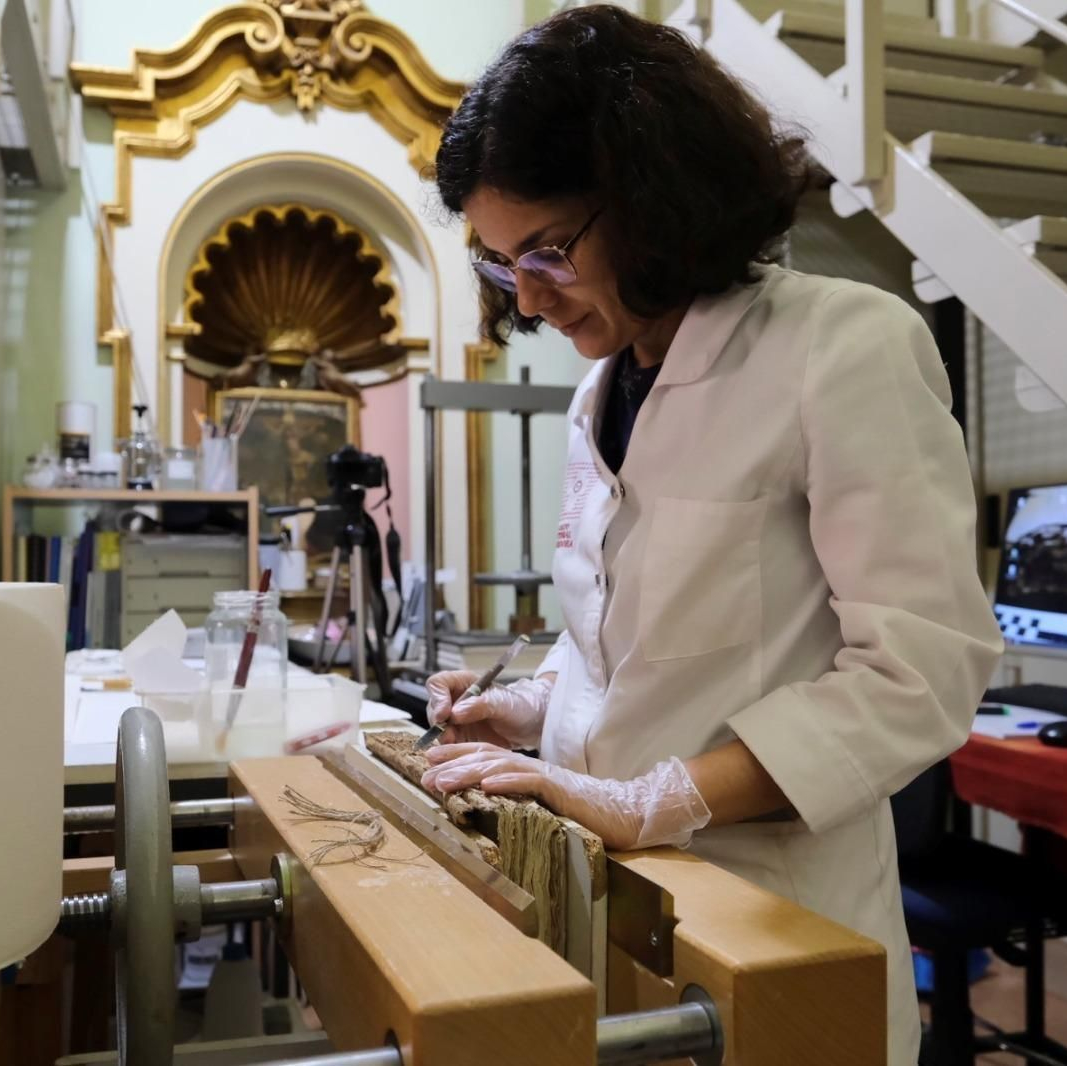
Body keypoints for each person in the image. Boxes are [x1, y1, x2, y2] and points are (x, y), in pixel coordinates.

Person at [421, 8, 1003, 1061]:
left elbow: (921, 672)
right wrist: (531, 707)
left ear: (655, 196)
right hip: (613, 905)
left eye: (547, 251)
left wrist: (655, 800)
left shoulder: (841, 347)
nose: (530, 300)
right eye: (502, 265)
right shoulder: (598, 394)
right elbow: (623, 643)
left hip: (778, 911)